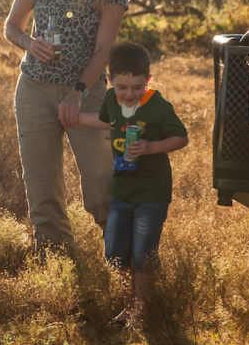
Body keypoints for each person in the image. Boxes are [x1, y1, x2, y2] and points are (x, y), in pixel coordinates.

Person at [3, 0, 130, 253]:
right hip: (34, 90)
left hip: (85, 94)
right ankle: (58, 268)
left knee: (101, 186)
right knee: (42, 191)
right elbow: (11, 26)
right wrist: (30, 44)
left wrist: (77, 92)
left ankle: (126, 266)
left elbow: (105, 48)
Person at [77, 42, 188, 329]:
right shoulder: (112, 102)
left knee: (141, 254)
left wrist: (150, 147)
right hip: (122, 193)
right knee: (115, 252)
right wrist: (74, 118)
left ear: (148, 81)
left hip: (152, 194)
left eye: (137, 87)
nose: (129, 94)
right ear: (110, 81)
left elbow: (181, 138)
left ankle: (140, 311)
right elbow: (105, 122)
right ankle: (127, 307)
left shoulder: (158, 105)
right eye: (122, 87)